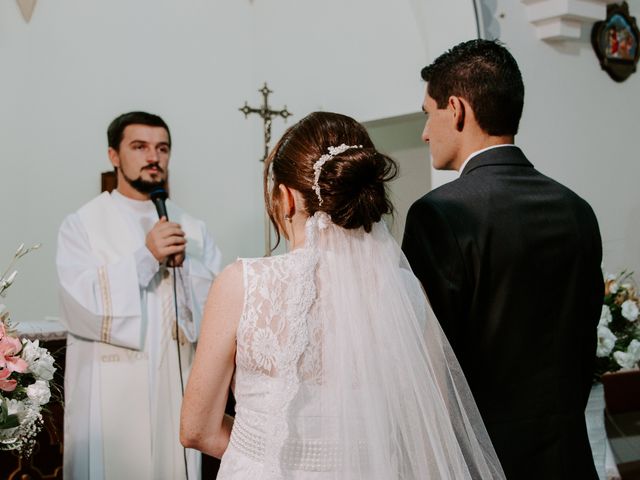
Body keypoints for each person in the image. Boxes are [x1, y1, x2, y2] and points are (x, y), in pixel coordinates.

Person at [180, 111, 506, 479]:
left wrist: (261, 452)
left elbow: (197, 429)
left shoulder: (243, 284)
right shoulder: (406, 291)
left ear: (285, 198)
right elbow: (431, 421)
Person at [402, 39, 603, 479]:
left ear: (455, 109)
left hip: (486, 463)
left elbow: (430, 363)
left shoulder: (438, 214)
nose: (424, 132)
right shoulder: (576, 209)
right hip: (570, 461)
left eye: (426, 113)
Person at [57, 111, 222, 480]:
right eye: (140, 147)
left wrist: (185, 268)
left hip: (175, 388)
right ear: (113, 155)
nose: (154, 157)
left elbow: (215, 311)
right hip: (110, 398)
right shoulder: (82, 224)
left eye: (162, 148)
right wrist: (146, 258)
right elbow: (77, 304)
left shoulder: (191, 227)